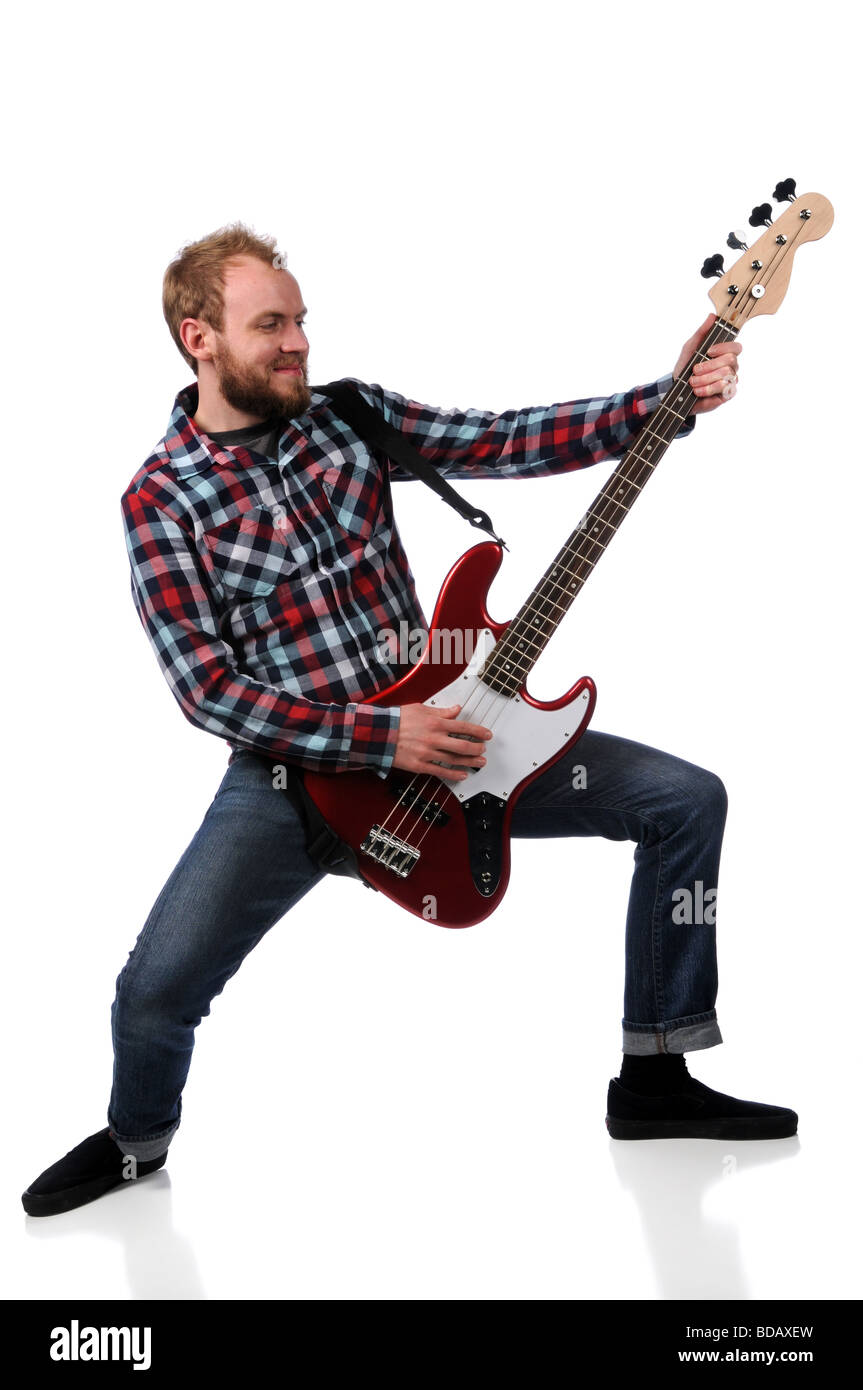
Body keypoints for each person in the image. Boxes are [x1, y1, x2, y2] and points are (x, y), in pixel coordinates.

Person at [22, 223, 795, 1218]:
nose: (299, 341)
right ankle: (136, 1145)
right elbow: (208, 689)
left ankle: (653, 1076)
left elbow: (507, 439)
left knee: (684, 800)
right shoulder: (163, 498)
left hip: (459, 743)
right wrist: (384, 738)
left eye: (301, 320)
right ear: (197, 337)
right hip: (295, 781)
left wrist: (663, 399)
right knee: (153, 992)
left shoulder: (352, 418)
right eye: (271, 325)